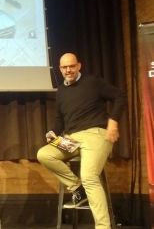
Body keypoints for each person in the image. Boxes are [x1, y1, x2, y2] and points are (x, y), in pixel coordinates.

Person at [37, 53, 125, 229]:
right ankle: (77, 187)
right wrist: (52, 132)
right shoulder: (61, 91)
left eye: (71, 66)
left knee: (89, 176)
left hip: (96, 134)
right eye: (64, 67)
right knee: (44, 154)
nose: (68, 70)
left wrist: (113, 122)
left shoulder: (93, 82)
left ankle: (103, 227)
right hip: (71, 138)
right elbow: (59, 120)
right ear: (60, 69)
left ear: (79, 66)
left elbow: (120, 96)